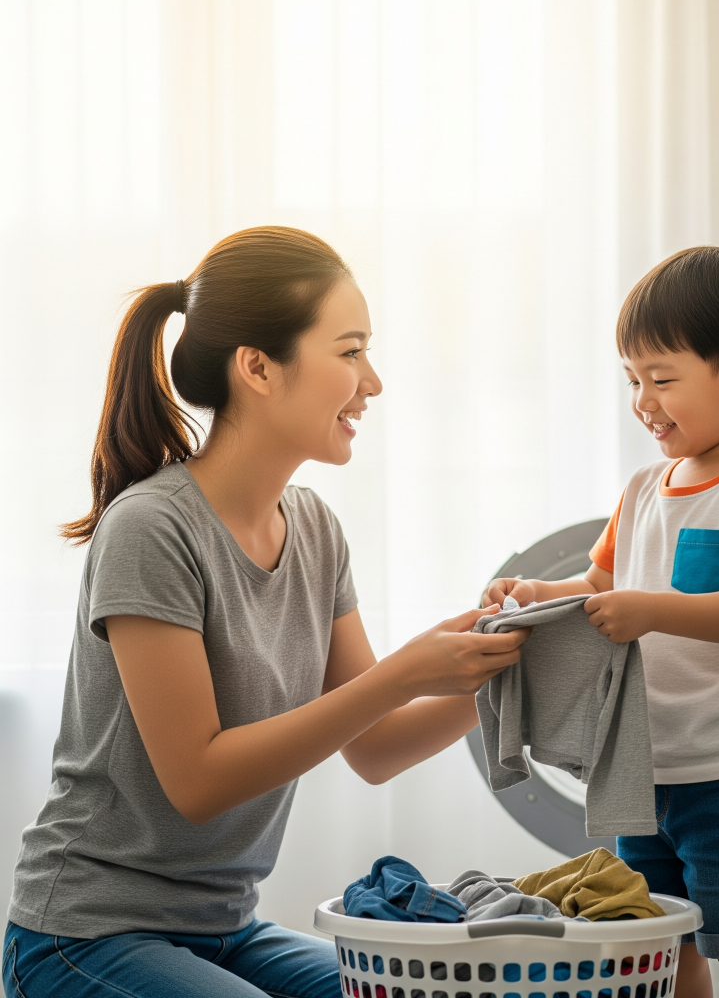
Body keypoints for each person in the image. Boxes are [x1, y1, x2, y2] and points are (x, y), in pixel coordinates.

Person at [3, 226, 528, 998]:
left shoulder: (314, 529)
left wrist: (499, 671)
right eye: (349, 352)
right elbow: (199, 779)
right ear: (257, 368)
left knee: (418, 992)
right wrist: (406, 672)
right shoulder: (153, 528)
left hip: (225, 927)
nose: (372, 381)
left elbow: (375, 748)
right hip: (83, 934)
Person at [483, 246, 719, 998]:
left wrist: (650, 611)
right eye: (633, 379)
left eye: (661, 379)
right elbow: (601, 581)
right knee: (658, 948)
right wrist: (536, 594)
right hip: (645, 769)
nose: (643, 399)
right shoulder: (642, 488)